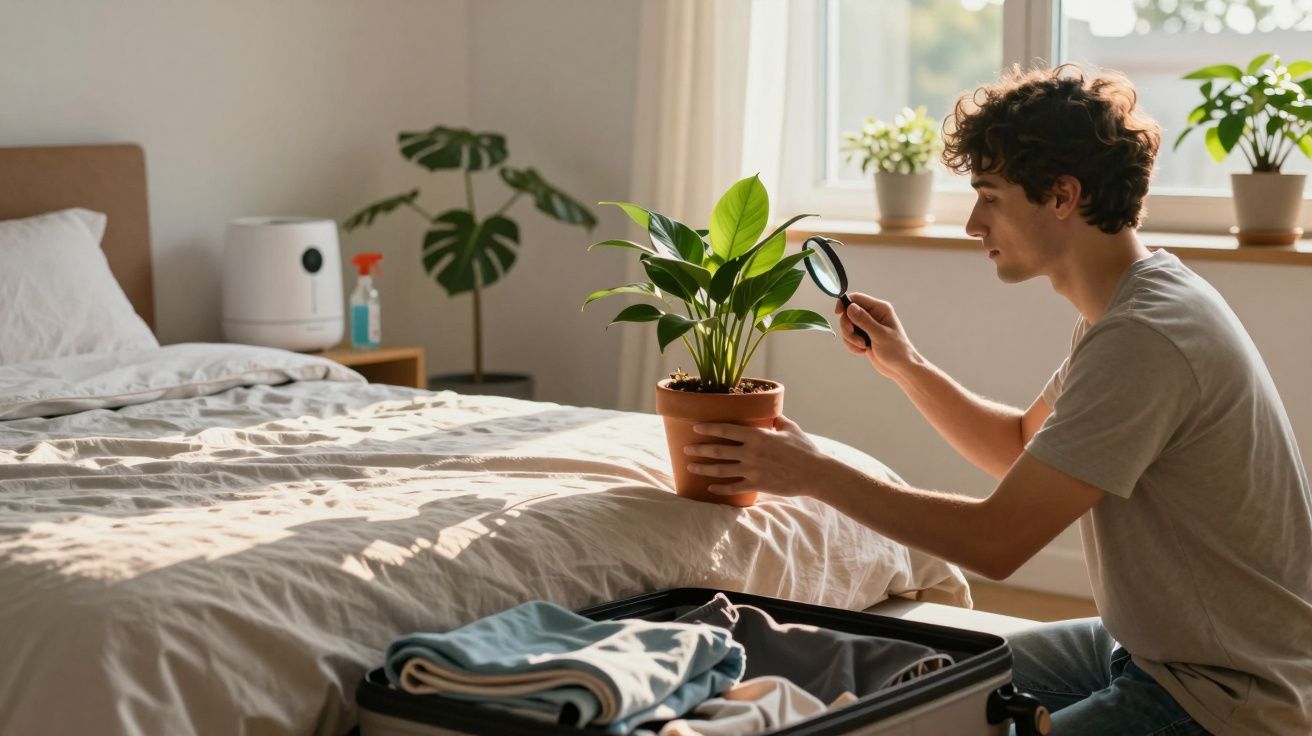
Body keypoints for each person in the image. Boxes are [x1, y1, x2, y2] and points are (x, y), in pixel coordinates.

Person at [684, 65, 1312, 735]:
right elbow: (1019, 446)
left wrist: (814, 473)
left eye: (989, 197)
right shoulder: (1130, 304)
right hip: (1150, 646)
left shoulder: (1145, 336)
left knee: (942, 714)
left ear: (1062, 196)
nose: (972, 224)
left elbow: (996, 542)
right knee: (930, 685)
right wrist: (906, 365)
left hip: (1227, 693)